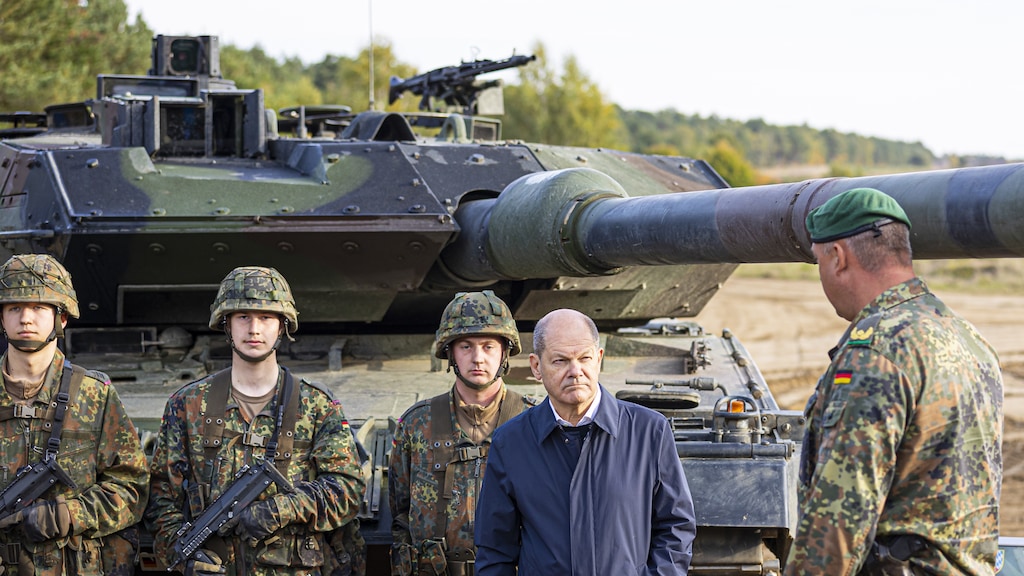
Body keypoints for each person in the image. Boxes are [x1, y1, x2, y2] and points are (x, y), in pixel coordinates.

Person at [785, 188, 1003, 575]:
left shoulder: (875, 353)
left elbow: (838, 520)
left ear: (838, 257)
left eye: (818, 262)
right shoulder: (970, 340)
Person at [145, 266, 365, 576]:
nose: (254, 329)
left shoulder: (316, 405)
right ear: (226, 324)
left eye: (266, 317)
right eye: (243, 317)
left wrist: (279, 509)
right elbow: (160, 498)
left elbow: (348, 490)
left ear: (282, 325)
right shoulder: (187, 405)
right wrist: (183, 557)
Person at [475, 308, 696, 575]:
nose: (575, 371)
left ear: (599, 359)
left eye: (585, 358)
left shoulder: (648, 432)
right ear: (536, 367)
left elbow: (675, 529)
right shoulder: (512, 442)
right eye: (560, 361)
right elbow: (495, 549)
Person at [0, 253, 148, 576]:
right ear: (2, 317)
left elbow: (132, 488)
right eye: (14, 308)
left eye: (39, 307)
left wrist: (68, 515)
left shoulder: (94, 395)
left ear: (62, 317)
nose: (26, 319)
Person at [389, 290, 536, 576]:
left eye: (489, 346)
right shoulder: (417, 424)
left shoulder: (532, 421)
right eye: (466, 346)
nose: (478, 358)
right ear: (450, 352)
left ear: (505, 352)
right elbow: (400, 511)